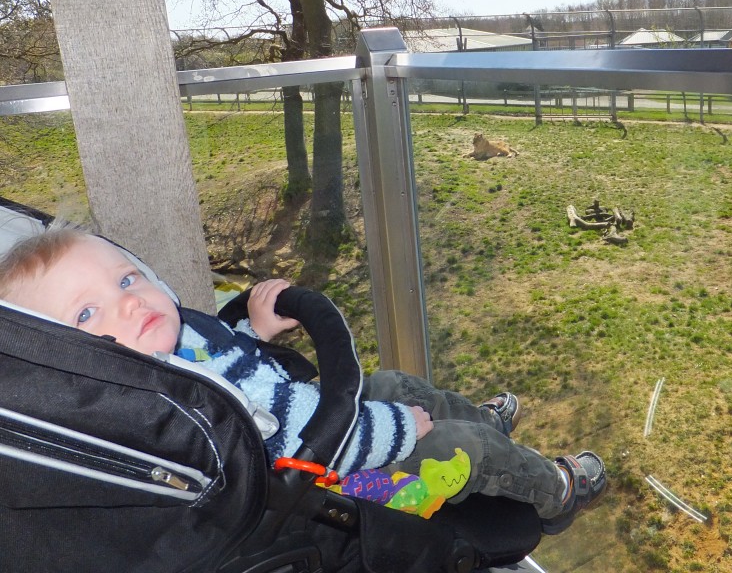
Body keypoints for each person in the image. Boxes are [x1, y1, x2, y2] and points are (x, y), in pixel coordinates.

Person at [0, 225, 605, 534]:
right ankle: (555, 492)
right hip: (335, 476)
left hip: (315, 419)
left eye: (127, 279)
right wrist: (399, 431)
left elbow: (224, 355)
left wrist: (254, 332)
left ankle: (478, 417)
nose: (128, 302)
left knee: (397, 381)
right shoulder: (168, 410)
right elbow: (303, 440)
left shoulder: (168, 344)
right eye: (87, 313)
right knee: (457, 448)